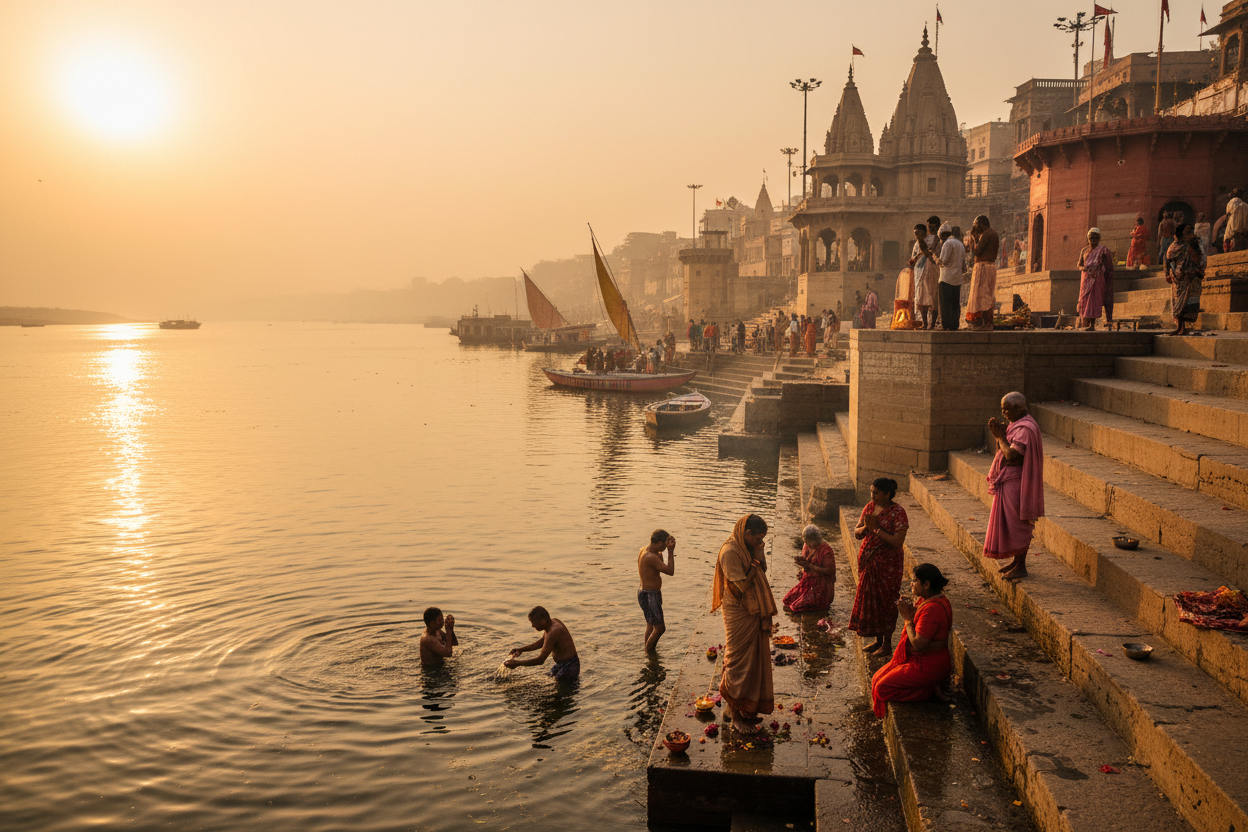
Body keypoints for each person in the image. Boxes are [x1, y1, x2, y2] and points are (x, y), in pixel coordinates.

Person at [711, 513, 777, 732]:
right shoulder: (730, 552)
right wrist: (753, 568)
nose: (760, 542)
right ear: (746, 533)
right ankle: (735, 714)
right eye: (758, 538)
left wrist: (759, 552)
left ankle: (748, 708)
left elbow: (763, 569)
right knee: (737, 660)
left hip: (753, 608)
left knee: (755, 658)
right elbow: (739, 589)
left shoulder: (748, 546)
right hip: (738, 610)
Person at [870, 563, 953, 718]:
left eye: (915, 581)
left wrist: (907, 619)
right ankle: (929, 686)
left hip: (928, 665)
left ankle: (927, 690)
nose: (911, 584)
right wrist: (912, 610)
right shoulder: (932, 600)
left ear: (926, 584)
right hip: (922, 660)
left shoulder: (932, 609)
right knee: (876, 678)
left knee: (882, 688)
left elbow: (919, 644)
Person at [985, 392, 1044, 581]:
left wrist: (1000, 437)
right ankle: (1017, 562)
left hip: (1017, 482)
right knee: (1012, 523)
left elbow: (1012, 455)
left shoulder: (1025, 428)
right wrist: (1003, 433)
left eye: (1006, 410)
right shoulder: (1017, 423)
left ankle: (1021, 566)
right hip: (1009, 479)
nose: (1004, 415)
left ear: (1018, 408)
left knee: (1018, 525)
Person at [850, 478, 909, 656]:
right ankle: (878, 641)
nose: (872, 495)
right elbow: (857, 532)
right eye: (871, 491)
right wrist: (866, 529)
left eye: (876, 492)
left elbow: (898, 541)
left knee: (886, 602)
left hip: (888, 565)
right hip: (869, 562)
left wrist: (876, 529)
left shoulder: (898, 512)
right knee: (872, 601)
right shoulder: (869, 507)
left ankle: (887, 645)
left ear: (887, 494)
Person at [504, 606, 580, 680]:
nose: (532, 625)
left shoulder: (554, 631)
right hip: (562, 664)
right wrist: (521, 649)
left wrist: (517, 663)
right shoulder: (551, 623)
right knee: (549, 678)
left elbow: (540, 660)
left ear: (543, 621)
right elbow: (542, 642)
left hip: (570, 666)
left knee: (561, 689)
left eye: (534, 622)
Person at [782, 524, 836, 612]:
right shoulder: (807, 545)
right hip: (808, 582)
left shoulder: (826, 551)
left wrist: (809, 566)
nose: (809, 546)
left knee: (795, 607)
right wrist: (802, 568)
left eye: (810, 543)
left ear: (816, 539)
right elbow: (807, 562)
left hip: (821, 588)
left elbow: (829, 570)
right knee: (787, 600)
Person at [638, 529, 676, 652]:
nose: (665, 547)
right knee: (660, 628)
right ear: (659, 543)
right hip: (650, 595)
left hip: (645, 592)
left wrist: (662, 554)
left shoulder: (644, 550)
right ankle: (649, 653)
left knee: (651, 624)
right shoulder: (650, 557)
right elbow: (670, 571)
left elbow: (657, 567)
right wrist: (670, 551)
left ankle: (648, 651)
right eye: (664, 545)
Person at [1164, 224, 1206, 337]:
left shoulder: (1195, 242)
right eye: (1187, 231)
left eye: (1190, 230)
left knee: (1189, 303)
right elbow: (1168, 258)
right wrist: (1167, 273)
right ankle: (1179, 328)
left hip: (1191, 277)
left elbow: (1202, 257)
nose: (1190, 232)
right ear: (1181, 233)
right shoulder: (1175, 245)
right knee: (1178, 304)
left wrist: (1197, 270)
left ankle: (1182, 328)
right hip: (1178, 279)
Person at [1076, 228, 1115, 330]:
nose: (1092, 240)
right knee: (1084, 301)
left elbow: (1109, 266)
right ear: (1088, 239)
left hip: (1097, 280)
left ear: (1099, 239)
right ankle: (1086, 323)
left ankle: (1092, 325)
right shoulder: (1084, 250)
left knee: (1093, 302)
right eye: (1090, 238)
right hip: (1085, 279)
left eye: (1095, 238)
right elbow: (1079, 264)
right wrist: (1084, 268)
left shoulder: (1103, 250)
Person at [966, 215, 1000, 331]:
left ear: (982, 224)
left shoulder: (987, 234)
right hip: (989, 266)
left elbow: (977, 251)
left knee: (984, 295)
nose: (975, 228)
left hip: (984, 267)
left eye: (976, 225)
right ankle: (987, 323)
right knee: (986, 295)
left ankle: (987, 323)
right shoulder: (992, 233)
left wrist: (974, 239)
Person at [911, 216, 941, 330]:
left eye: (933, 226)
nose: (932, 228)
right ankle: (925, 324)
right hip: (920, 273)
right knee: (922, 299)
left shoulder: (939, 240)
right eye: (930, 226)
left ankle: (931, 325)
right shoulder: (921, 241)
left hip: (933, 272)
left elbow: (934, 255)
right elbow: (915, 256)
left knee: (932, 299)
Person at [936, 222, 965, 331]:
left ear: (943, 235)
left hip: (946, 278)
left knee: (945, 303)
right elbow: (963, 263)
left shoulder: (947, 244)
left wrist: (936, 259)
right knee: (955, 303)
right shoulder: (960, 244)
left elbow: (943, 261)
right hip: (957, 279)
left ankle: (947, 325)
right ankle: (954, 324)